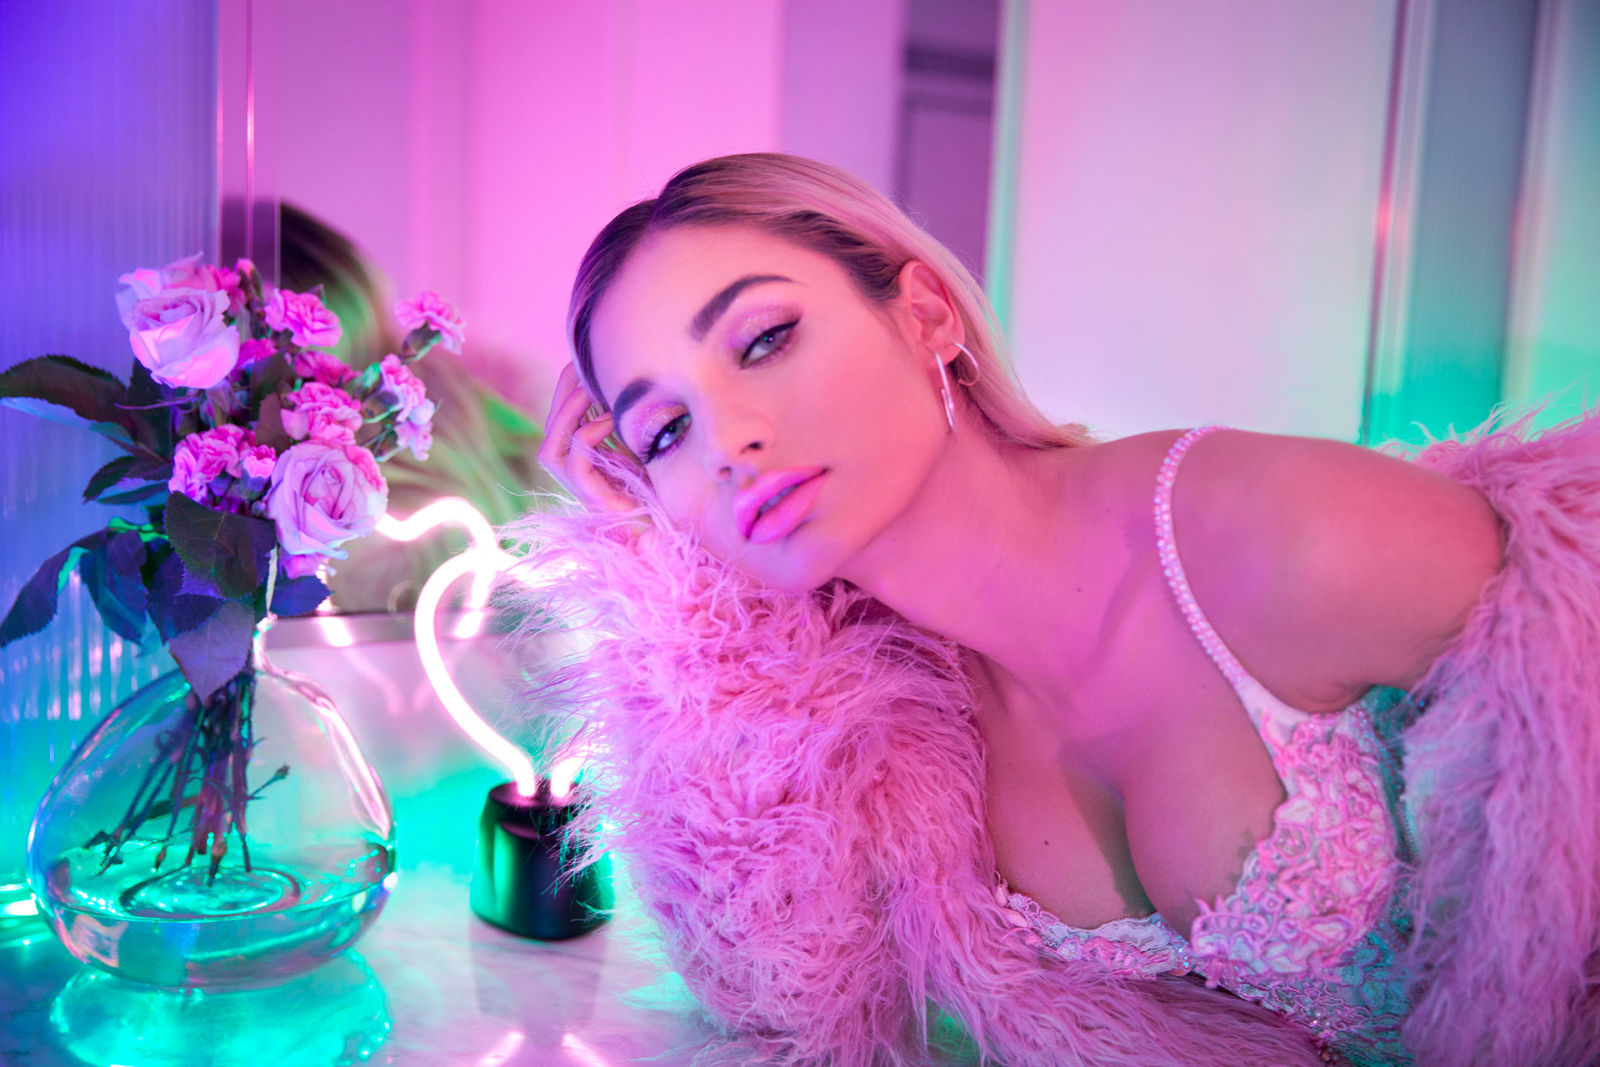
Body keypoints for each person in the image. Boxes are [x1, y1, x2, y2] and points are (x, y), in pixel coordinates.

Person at [509, 153, 1600, 1066]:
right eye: (663, 431)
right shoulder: (891, 725)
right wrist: (652, 581)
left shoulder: (1278, 537)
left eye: (763, 340)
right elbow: (783, 1005)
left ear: (926, 314)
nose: (729, 439)